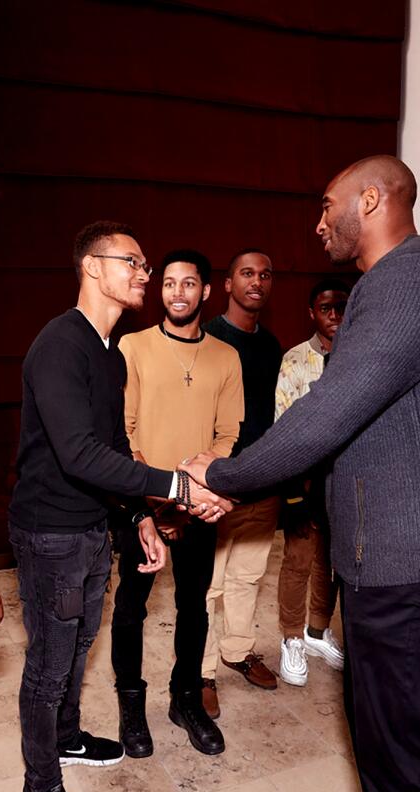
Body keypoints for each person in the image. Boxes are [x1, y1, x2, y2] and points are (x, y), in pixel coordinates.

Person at [183, 155, 420, 792]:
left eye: (326, 206)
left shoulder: (411, 275)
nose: (318, 224)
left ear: (368, 201)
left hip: (415, 559)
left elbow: (330, 411)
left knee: (399, 763)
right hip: (419, 556)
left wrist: (223, 476)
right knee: (393, 738)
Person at [9, 221, 231, 792]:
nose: (143, 274)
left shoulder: (107, 351)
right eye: (131, 262)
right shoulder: (60, 345)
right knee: (49, 666)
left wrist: (139, 516)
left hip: (88, 527)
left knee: (80, 648)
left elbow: (108, 442)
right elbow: (78, 455)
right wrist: (176, 489)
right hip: (50, 532)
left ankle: (67, 735)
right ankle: (42, 786)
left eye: (143, 264)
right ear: (92, 267)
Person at [112, 249, 243, 758]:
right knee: (131, 607)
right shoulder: (133, 346)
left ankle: (185, 699)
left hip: (198, 504)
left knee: (194, 607)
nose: (178, 293)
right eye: (168, 283)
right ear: (159, 290)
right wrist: (157, 497)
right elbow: (122, 431)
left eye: (189, 284)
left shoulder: (225, 356)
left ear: (206, 292)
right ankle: (131, 706)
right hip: (141, 503)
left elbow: (229, 434)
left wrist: (197, 488)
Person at [198, 249, 285, 713]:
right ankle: (203, 670)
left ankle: (237, 652)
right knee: (209, 585)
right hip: (217, 484)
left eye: (265, 274)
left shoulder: (270, 346)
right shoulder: (208, 338)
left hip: (262, 481)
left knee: (248, 578)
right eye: (246, 273)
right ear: (228, 284)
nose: (257, 281)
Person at [271, 278, 350, 687]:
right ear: (312, 313)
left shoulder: (362, 356)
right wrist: (292, 494)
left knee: (333, 565)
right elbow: (283, 426)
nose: (334, 315)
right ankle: (291, 637)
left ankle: (318, 631)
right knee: (299, 560)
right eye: (325, 308)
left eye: (341, 305)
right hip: (305, 481)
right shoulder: (295, 360)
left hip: (349, 481)